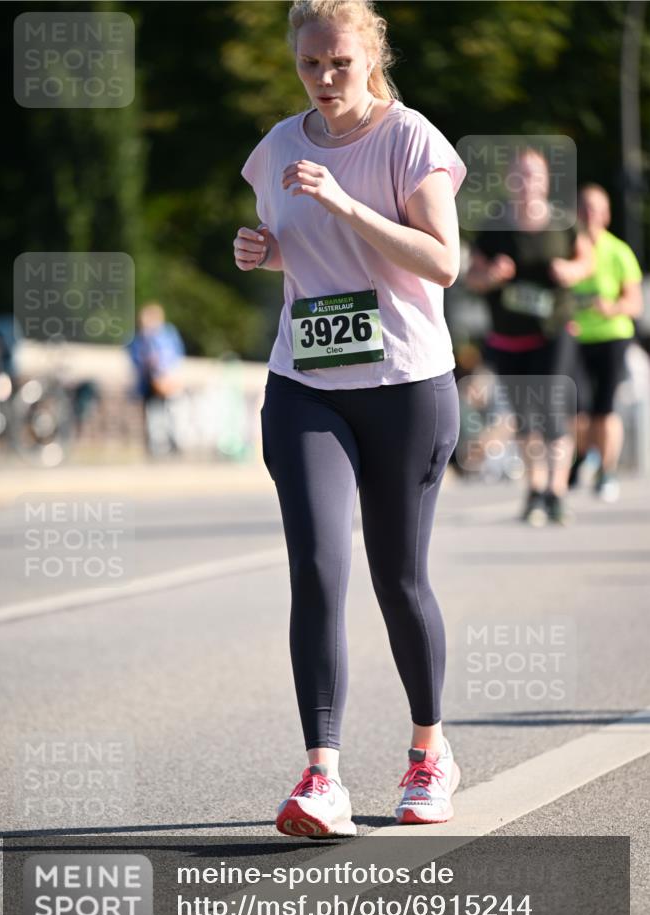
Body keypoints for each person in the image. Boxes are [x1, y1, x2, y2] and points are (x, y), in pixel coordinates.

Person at [235, 0, 466, 837]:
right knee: (319, 570)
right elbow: (292, 247)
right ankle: (321, 775)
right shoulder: (277, 147)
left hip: (405, 384)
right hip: (306, 381)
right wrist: (262, 251)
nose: (325, 79)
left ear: (370, 57)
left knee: (396, 579)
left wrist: (343, 203)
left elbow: (442, 262)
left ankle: (428, 753)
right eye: (310, 65)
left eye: (339, 63)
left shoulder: (409, 139)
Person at [466, 149, 593, 526]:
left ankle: (556, 491)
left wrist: (570, 270)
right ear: (509, 181)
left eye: (534, 176)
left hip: (553, 332)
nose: (526, 183)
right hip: (508, 336)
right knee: (524, 417)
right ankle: (535, 491)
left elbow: (588, 261)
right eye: (519, 176)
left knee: (552, 409)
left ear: (545, 181)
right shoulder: (494, 225)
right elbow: (472, 277)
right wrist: (491, 275)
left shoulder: (563, 222)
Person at [569, 184, 644, 501]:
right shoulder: (568, 247)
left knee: (605, 408)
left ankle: (606, 471)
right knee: (577, 409)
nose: (590, 215)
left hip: (612, 336)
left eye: (596, 209)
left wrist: (610, 306)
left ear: (607, 215)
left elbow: (635, 304)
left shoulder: (619, 252)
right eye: (584, 208)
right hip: (575, 337)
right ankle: (583, 455)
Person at [126, 303, 185, 457]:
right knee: (154, 415)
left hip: (168, 381)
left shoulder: (167, 334)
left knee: (173, 413)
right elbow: (135, 359)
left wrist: (168, 374)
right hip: (149, 384)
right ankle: (157, 447)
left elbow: (176, 355)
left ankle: (173, 444)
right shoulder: (139, 339)